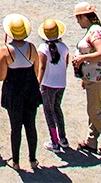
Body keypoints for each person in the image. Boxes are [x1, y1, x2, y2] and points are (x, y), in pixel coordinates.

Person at [0, 13, 44, 171]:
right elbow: (36, 69)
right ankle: (33, 159)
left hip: (14, 92)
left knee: (15, 127)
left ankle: (16, 161)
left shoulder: (6, 51)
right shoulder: (31, 48)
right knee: (31, 126)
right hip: (30, 90)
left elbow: (1, 75)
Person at [70, 2, 101, 155]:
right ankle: (91, 141)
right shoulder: (91, 30)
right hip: (92, 78)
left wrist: (82, 59)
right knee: (94, 110)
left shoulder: (96, 32)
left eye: (78, 18)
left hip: (98, 78)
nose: (78, 22)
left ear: (85, 17)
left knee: (93, 112)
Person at [39, 18, 72, 153]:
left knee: (49, 112)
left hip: (48, 85)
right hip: (61, 84)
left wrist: (37, 84)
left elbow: (41, 67)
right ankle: (63, 138)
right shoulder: (64, 48)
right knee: (57, 108)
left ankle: (54, 142)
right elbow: (66, 63)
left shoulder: (43, 49)